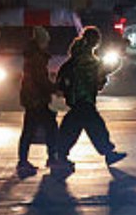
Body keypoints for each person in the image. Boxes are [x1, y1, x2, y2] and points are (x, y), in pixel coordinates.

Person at [53, 26, 127, 172]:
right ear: (95, 42)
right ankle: (108, 153)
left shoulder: (75, 58)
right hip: (84, 99)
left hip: (76, 100)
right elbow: (104, 71)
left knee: (73, 128)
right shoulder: (89, 61)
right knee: (94, 127)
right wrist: (120, 56)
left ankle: (60, 155)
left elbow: (62, 76)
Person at [16, 26, 60, 176]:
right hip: (37, 98)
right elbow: (41, 80)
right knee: (50, 127)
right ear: (41, 42)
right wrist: (54, 89)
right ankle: (51, 158)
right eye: (46, 41)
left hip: (31, 98)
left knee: (30, 129)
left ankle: (24, 160)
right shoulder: (38, 58)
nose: (47, 44)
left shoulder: (32, 55)